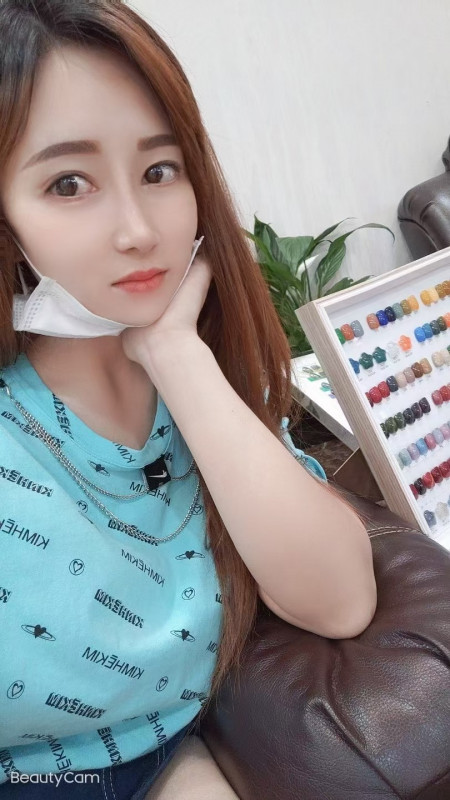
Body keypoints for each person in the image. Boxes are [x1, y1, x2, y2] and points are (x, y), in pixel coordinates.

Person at [0, 1, 377, 797]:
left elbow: (339, 602)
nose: (139, 230)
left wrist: (174, 354)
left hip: (174, 754)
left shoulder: (206, 377)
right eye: (68, 183)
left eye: (159, 171)